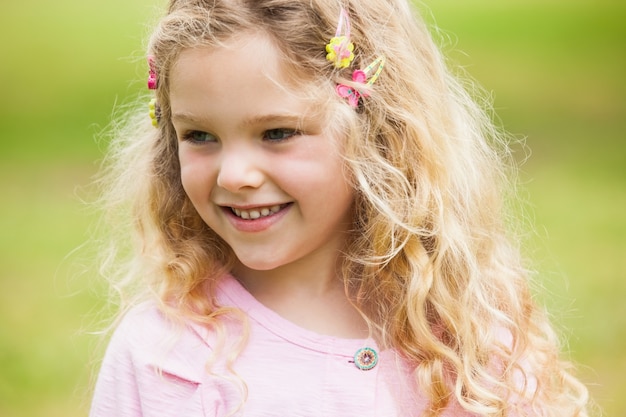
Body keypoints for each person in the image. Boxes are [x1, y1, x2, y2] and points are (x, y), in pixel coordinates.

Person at [89, 0, 591, 416]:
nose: (234, 175)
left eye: (277, 133)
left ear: (377, 136)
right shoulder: (164, 354)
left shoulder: (465, 337)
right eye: (199, 135)